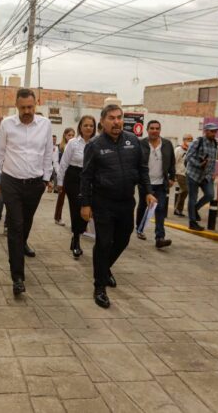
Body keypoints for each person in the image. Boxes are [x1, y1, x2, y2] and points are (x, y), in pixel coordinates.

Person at [81, 105, 154, 309]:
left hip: (125, 202)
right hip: (103, 203)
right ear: (102, 121)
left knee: (123, 239)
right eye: (112, 118)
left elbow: (142, 169)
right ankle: (99, 287)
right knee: (104, 243)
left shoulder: (132, 141)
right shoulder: (94, 145)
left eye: (119, 117)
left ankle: (104, 269)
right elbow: (85, 177)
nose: (116, 122)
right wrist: (85, 204)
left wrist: (148, 191)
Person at [0, 88, 53, 295]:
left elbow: (47, 153)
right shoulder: (8, 124)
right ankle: (17, 276)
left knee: (26, 222)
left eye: (30, 107)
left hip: (35, 184)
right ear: (16, 106)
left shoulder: (45, 124)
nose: (27, 111)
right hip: (12, 182)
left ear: (36, 105)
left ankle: (21, 244)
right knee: (16, 226)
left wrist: (46, 179)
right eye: (23, 107)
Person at [58, 116, 95, 258]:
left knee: (86, 209)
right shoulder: (72, 143)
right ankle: (77, 239)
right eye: (85, 125)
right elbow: (64, 164)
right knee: (76, 208)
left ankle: (76, 235)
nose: (88, 128)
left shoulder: (96, 143)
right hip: (73, 177)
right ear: (80, 127)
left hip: (89, 179)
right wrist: (60, 183)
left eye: (91, 126)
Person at [136, 120, 176, 248]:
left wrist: (172, 177)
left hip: (160, 183)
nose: (154, 130)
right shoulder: (140, 143)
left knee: (160, 208)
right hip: (145, 182)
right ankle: (139, 228)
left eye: (157, 128)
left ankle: (160, 237)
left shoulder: (167, 144)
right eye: (152, 128)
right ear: (147, 130)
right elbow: (135, 162)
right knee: (143, 206)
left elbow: (172, 162)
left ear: (160, 130)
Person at [185, 122, 218, 231]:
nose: (214, 133)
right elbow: (188, 157)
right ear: (206, 131)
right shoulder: (197, 142)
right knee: (192, 198)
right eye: (212, 131)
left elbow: (213, 160)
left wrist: (213, 172)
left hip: (206, 176)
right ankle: (192, 222)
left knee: (210, 195)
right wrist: (200, 164)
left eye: (215, 131)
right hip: (193, 174)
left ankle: (195, 209)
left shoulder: (215, 143)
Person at [53, 128, 75, 225]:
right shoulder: (59, 147)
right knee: (61, 198)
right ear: (65, 135)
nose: (70, 137)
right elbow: (56, 162)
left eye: (72, 135)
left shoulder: (75, 146)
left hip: (72, 175)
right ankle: (58, 218)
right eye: (69, 135)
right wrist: (59, 172)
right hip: (62, 175)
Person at [173, 134, 193, 217]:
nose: (189, 141)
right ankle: (177, 209)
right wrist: (172, 174)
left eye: (191, 139)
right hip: (180, 172)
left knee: (185, 191)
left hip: (188, 173)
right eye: (187, 139)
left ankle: (178, 209)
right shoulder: (178, 149)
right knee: (185, 190)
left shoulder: (191, 150)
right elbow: (174, 161)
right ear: (183, 140)